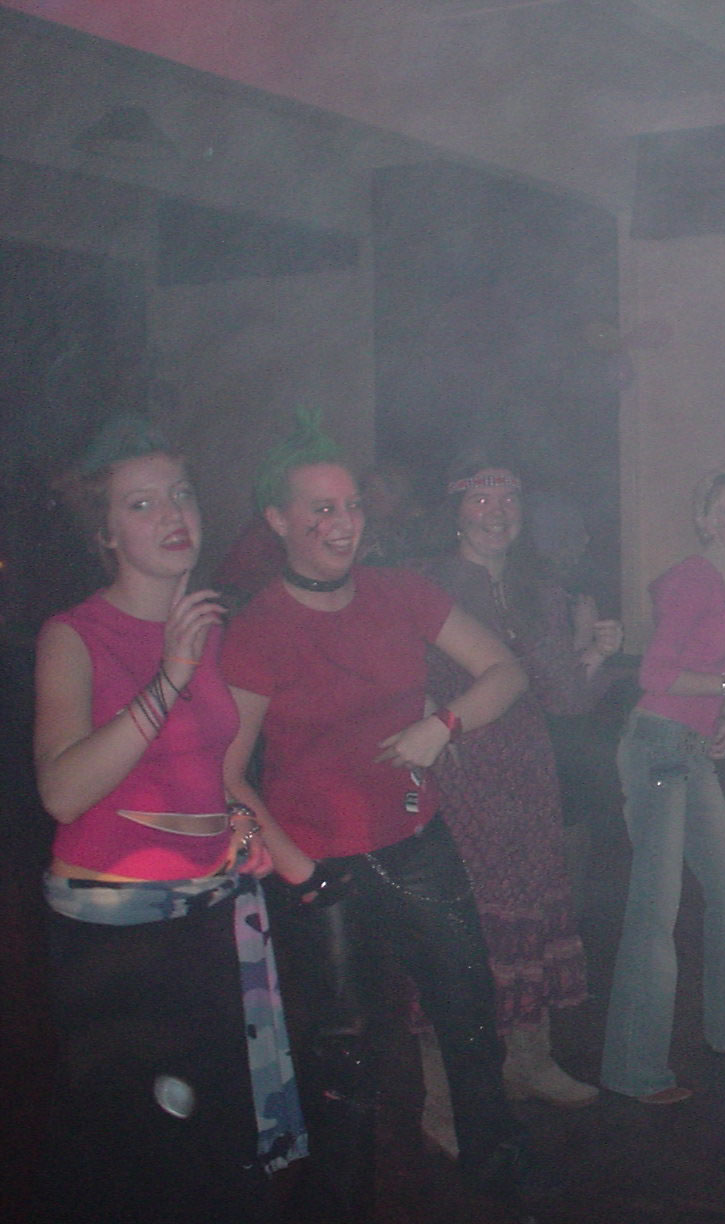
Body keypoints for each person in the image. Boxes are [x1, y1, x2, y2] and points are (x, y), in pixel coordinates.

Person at [218, 412, 551, 1213]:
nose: (344, 524)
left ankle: (499, 1184)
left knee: (470, 1023)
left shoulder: (400, 592)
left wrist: (444, 725)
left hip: (417, 843)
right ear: (278, 520)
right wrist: (299, 872)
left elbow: (506, 672)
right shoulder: (258, 628)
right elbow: (225, 775)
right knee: (344, 1062)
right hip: (318, 865)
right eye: (321, 509)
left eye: (351, 506)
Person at [33, 417, 304, 1224]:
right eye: (142, 503)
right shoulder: (73, 635)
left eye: (180, 494)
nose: (172, 514)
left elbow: (212, 770)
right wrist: (169, 677)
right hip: (114, 932)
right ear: (107, 533)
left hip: (206, 908)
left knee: (213, 1132)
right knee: (143, 1150)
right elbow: (62, 792)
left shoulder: (207, 625)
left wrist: (249, 832)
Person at [414, 456, 622, 1137]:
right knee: (463, 937)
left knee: (529, 917)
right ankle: (445, 1104)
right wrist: (419, 717)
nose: (497, 511)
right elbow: (392, 676)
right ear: (455, 509)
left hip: (528, 779)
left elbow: (564, 698)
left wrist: (594, 654)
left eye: (509, 499)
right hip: (459, 778)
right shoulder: (426, 585)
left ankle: (529, 1064)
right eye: (481, 497)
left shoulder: (543, 591)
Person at [599, 465, 725, 1105]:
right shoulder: (692, 578)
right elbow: (655, 675)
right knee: (655, 909)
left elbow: (717, 667)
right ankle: (633, 1070)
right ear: (706, 522)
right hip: (657, 747)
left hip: (690, 746)